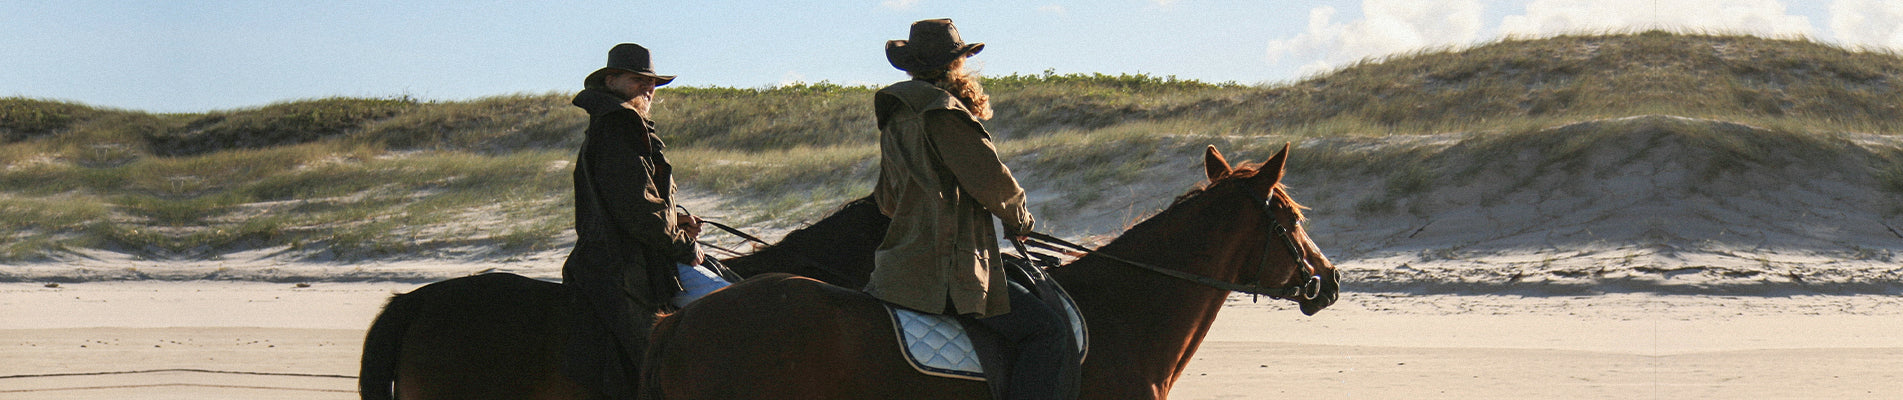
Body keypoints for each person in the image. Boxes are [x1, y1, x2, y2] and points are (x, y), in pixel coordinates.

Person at [867, 19, 1069, 400]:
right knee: (1047, 333)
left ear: (912, 67)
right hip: (946, 275)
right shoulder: (944, 112)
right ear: (955, 64)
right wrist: (1020, 220)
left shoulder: (894, 117)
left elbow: (887, 201)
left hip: (896, 271)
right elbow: (992, 181)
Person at [561, 42, 725, 400]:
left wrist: (677, 220)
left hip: (633, 253)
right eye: (638, 80)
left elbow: (631, 202)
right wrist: (685, 246)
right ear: (612, 81)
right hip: (628, 263)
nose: (648, 88)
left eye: (651, 82)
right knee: (734, 308)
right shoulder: (618, 126)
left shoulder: (616, 124)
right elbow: (639, 213)